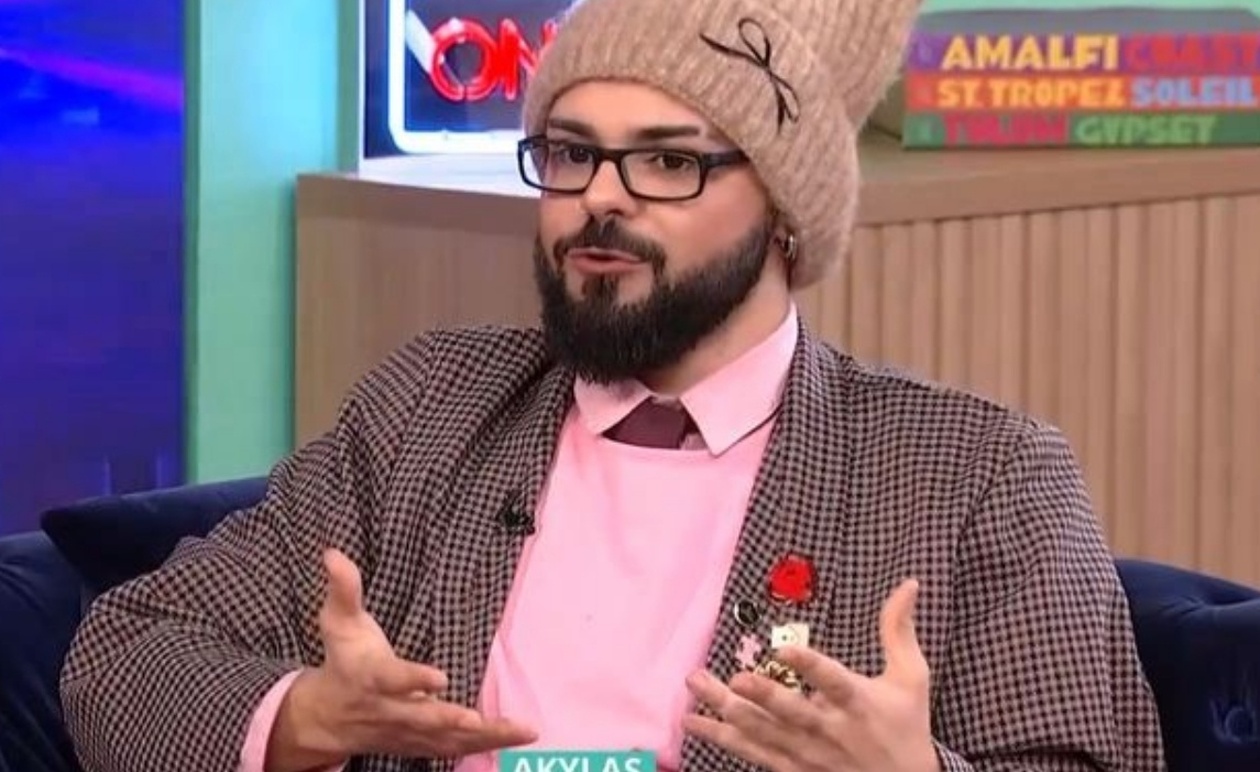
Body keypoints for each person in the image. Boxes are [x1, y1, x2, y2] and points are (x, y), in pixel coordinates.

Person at [59, 0, 1168, 770]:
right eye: (570, 153)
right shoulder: (429, 408)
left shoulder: (977, 473)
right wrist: (309, 714)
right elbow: (122, 658)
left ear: (785, 214)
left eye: (669, 161)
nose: (601, 197)